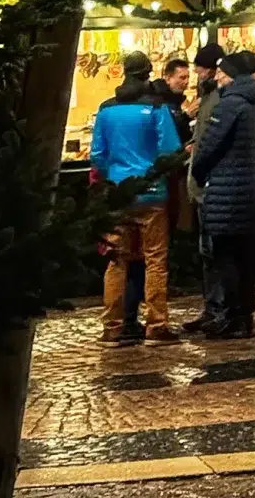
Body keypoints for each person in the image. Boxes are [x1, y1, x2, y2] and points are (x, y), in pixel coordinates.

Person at [89, 49, 184, 343]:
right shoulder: (157, 109)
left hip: (118, 194)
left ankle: (113, 326)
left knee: (116, 260)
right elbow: (170, 150)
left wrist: (113, 178)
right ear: (148, 73)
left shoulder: (106, 110)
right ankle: (156, 324)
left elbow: (98, 155)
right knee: (155, 259)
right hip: (152, 194)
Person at [190, 51, 255, 338]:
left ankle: (233, 317)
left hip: (225, 190)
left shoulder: (230, 104)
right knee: (245, 257)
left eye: (223, 71)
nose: (218, 75)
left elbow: (209, 146)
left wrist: (199, 173)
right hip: (249, 189)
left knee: (225, 256)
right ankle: (244, 316)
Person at [180, 41, 226, 337]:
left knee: (215, 252)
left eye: (199, 69)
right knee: (207, 252)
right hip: (201, 188)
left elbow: (212, 140)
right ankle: (212, 308)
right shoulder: (209, 96)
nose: (196, 74)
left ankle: (219, 309)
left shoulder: (218, 99)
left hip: (211, 188)